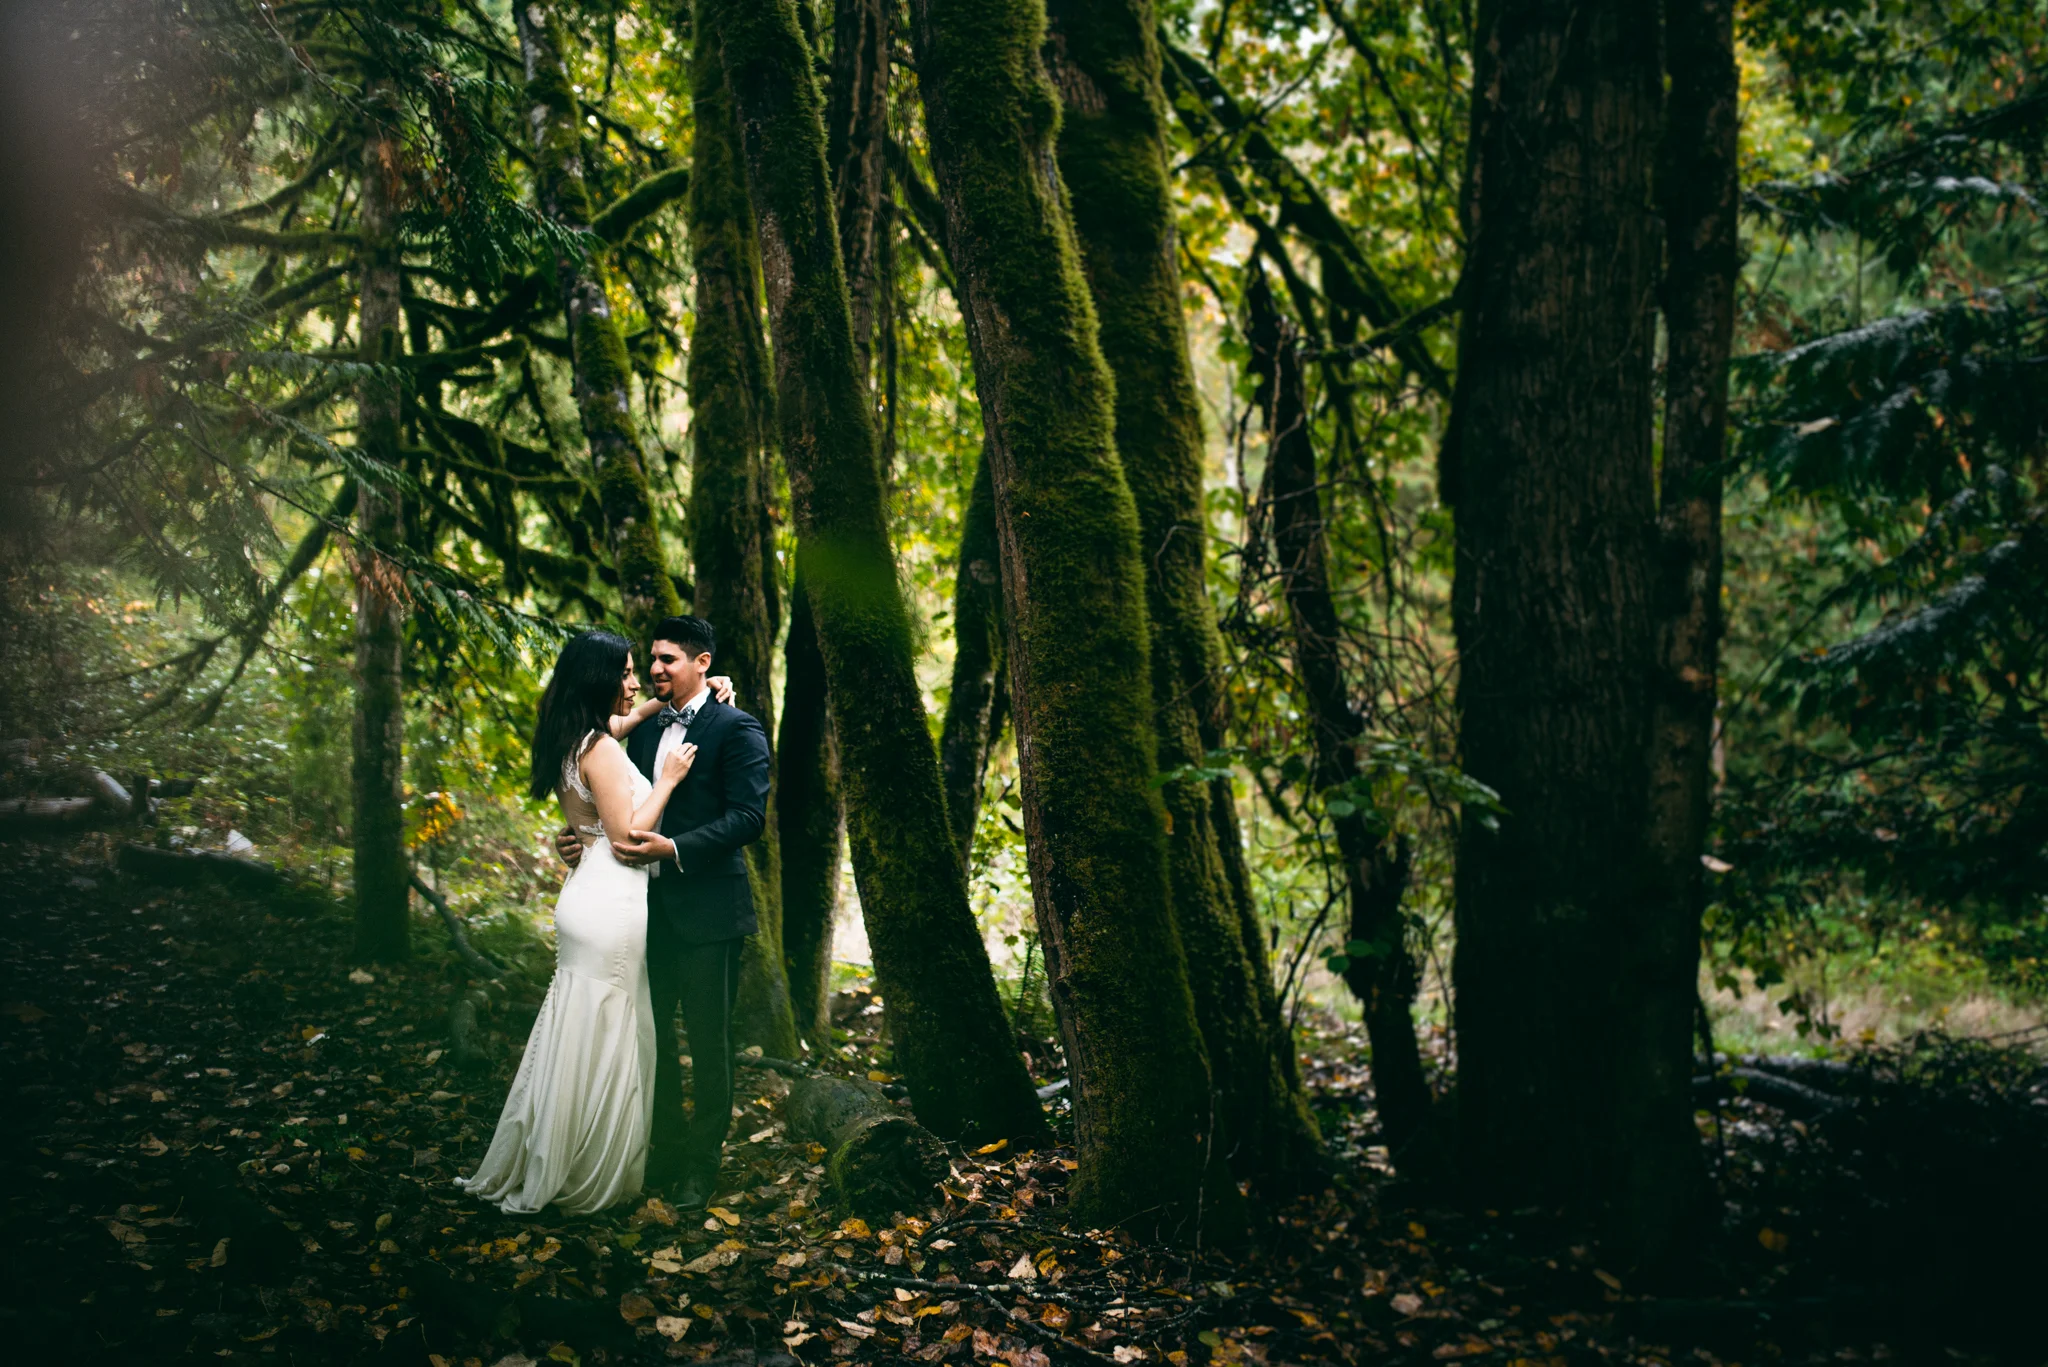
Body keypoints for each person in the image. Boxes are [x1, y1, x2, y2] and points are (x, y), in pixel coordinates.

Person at [454, 629, 683, 1215]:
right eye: (627, 673)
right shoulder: (601, 750)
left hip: (586, 895)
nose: (635, 683)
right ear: (598, 680)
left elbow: (623, 729)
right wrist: (667, 781)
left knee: (580, 1025)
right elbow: (628, 837)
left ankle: (558, 1152)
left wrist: (682, 694)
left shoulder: (577, 735)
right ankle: (583, 1167)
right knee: (605, 1028)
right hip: (610, 900)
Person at [557, 615, 771, 1209]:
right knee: (647, 1038)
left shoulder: (737, 727)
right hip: (639, 914)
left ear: (703, 663)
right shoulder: (642, 732)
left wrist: (676, 848)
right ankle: (665, 1152)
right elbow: (610, 800)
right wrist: (577, 837)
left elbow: (748, 818)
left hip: (707, 914)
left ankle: (701, 1167)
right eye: (650, 660)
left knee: (709, 1043)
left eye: (668, 660)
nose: (654, 670)